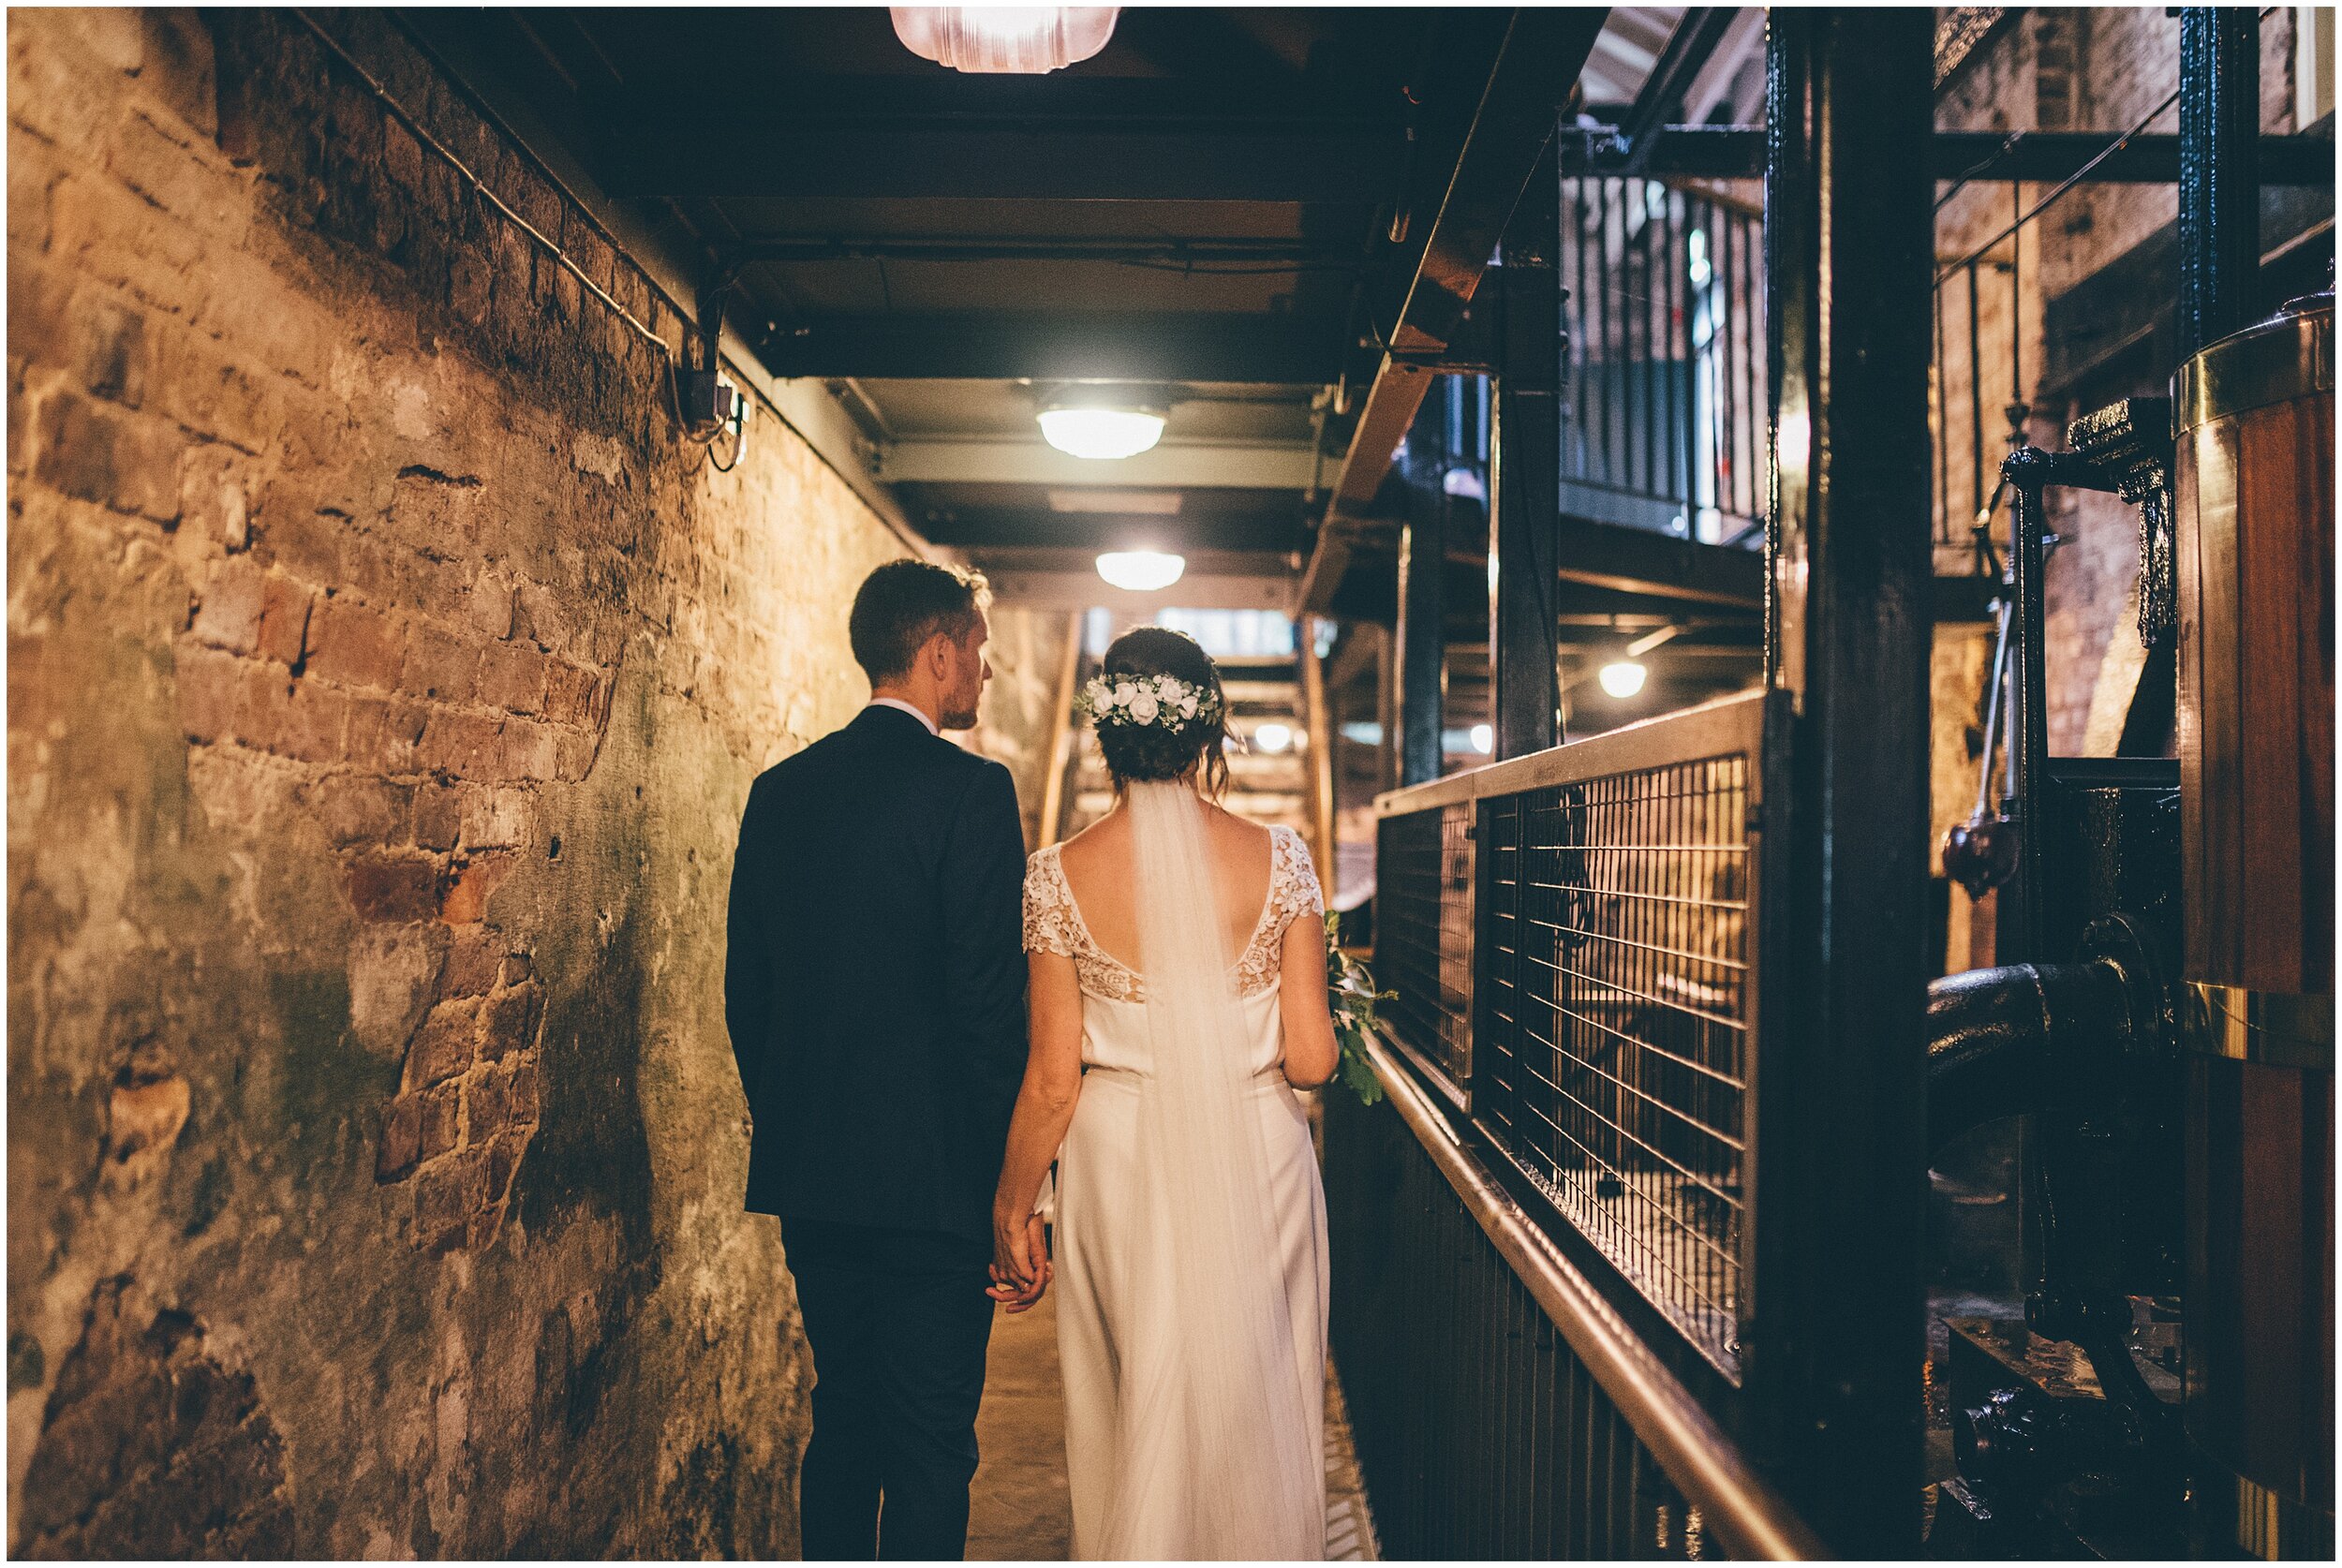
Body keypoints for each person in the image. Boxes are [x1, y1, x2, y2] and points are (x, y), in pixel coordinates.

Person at [989, 626, 1341, 1561]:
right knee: (1256, 1387)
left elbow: (1053, 1078)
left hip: (1119, 1159)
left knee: (1127, 1390)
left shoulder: (1055, 876)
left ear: (1106, 735)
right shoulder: (1285, 859)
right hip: (1258, 1154)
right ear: (1209, 734)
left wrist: (1013, 1207)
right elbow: (1310, 1061)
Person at [724, 559, 1042, 1561]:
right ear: (939, 654)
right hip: (936, 1188)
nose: (984, 677)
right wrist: (1013, 1187)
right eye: (979, 656)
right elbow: (988, 1005)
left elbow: (749, 996)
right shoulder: (973, 794)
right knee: (931, 1443)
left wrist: (793, 1118)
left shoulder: (780, 793)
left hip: (814, 1181)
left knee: (845, 1422)